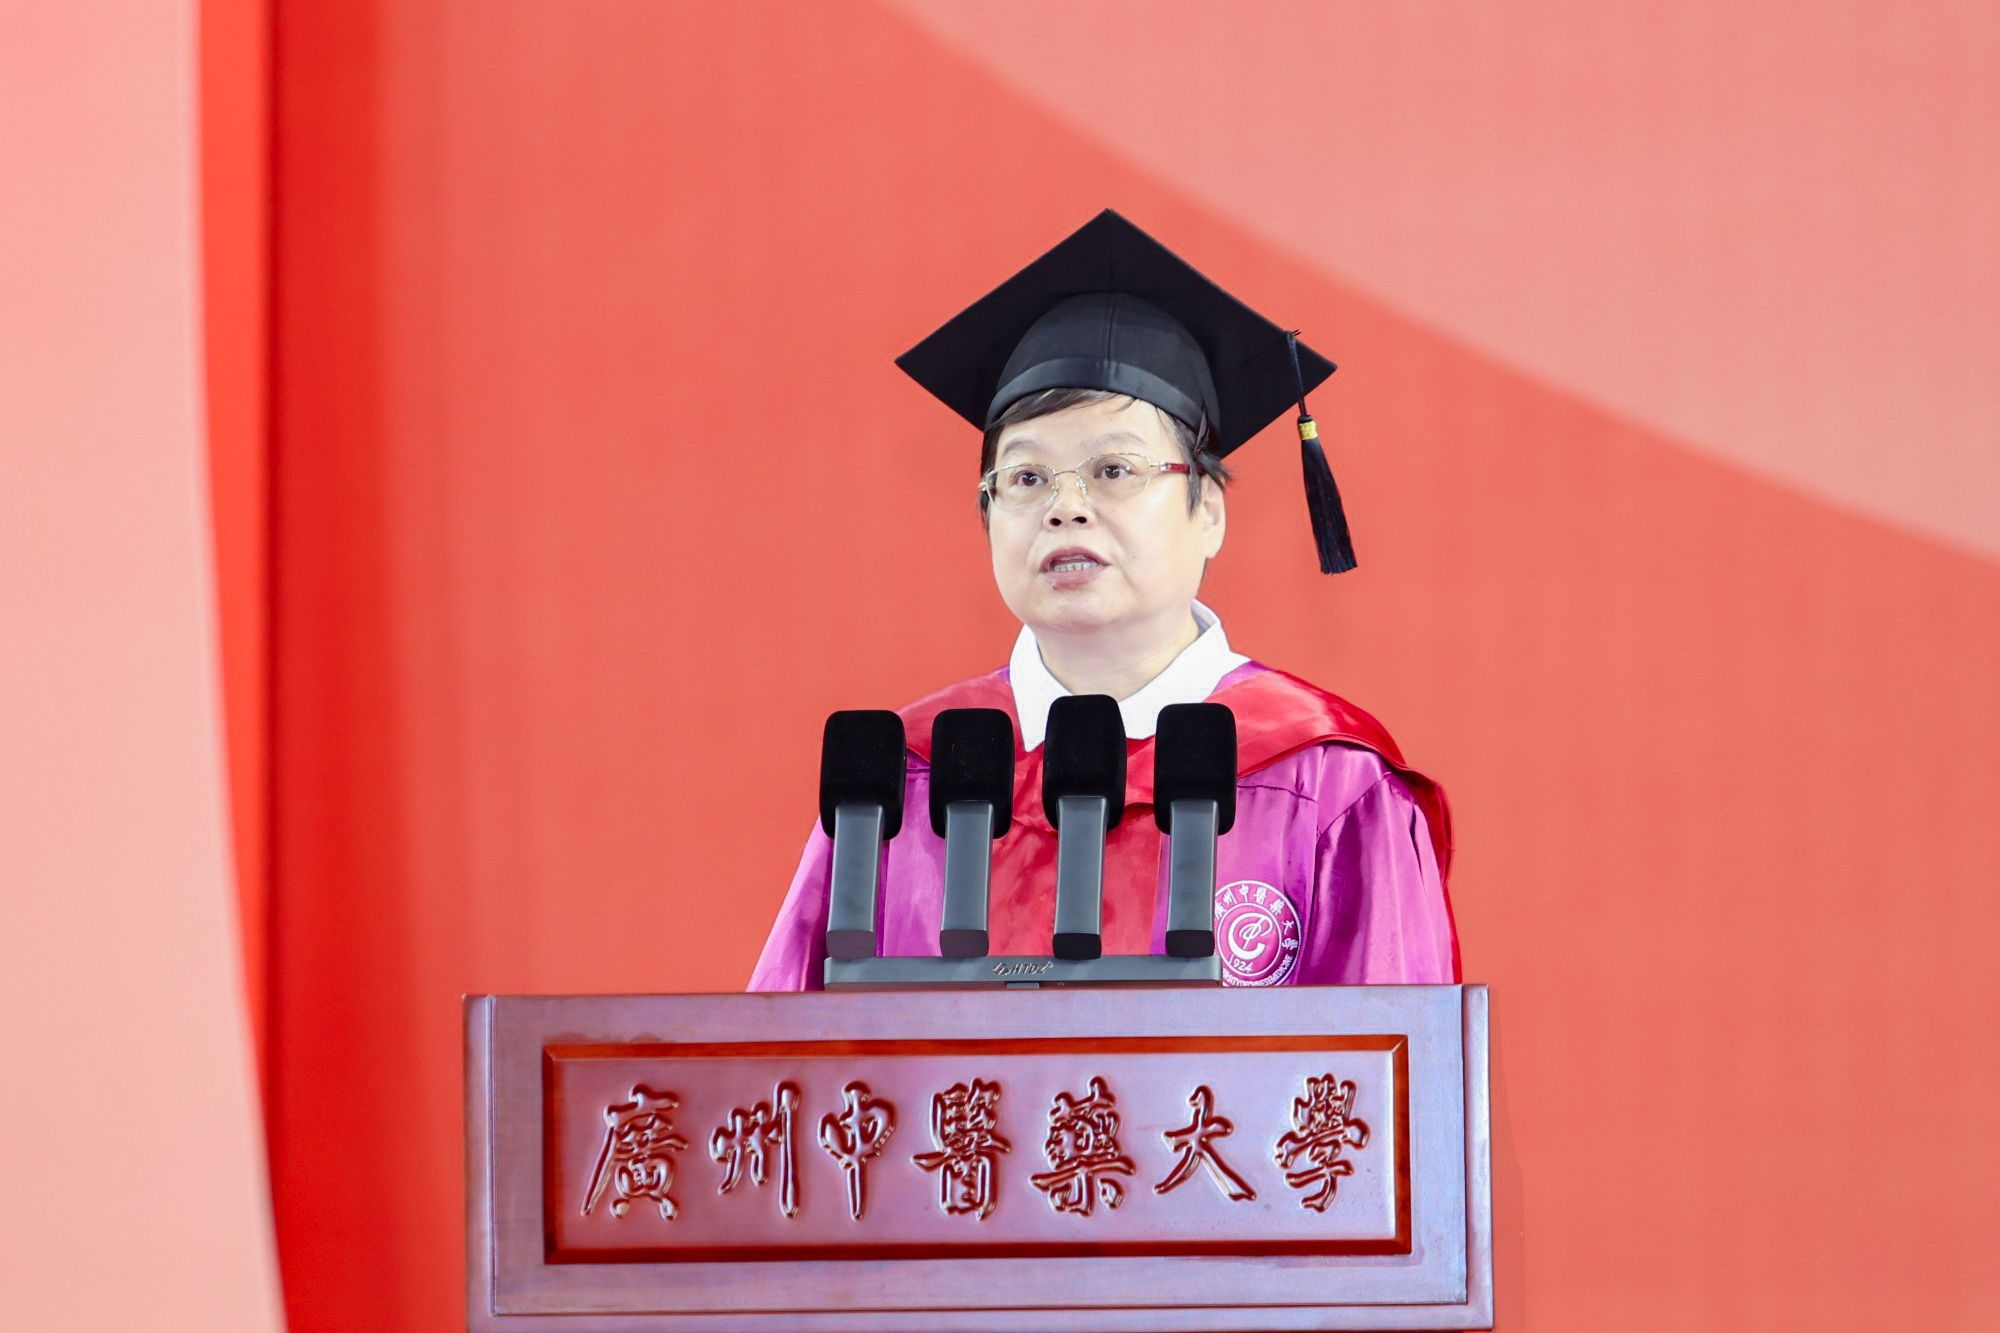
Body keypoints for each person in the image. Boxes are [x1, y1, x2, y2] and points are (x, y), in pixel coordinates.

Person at [750, 210, 1457, 991]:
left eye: (1113, 470)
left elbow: (1398, 1058)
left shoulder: (1328, 782)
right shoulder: (893, 789)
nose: (1066, 508)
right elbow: (779, 1051)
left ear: (1209, 510)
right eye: (1026, 478)